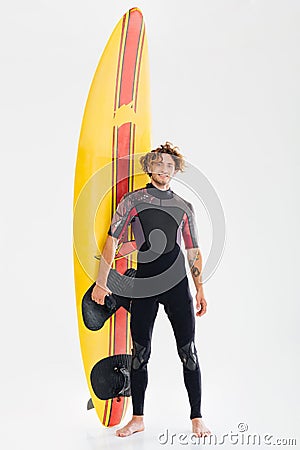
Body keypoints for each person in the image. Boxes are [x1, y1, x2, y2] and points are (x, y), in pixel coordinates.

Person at [91, 142, 211, 438]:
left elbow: (192, 250)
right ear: (149, 167)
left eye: (170, 165)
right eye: (159, 164)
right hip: (144, 285)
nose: (164, 169)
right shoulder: (133, 201)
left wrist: (200, 288)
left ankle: (197, 417)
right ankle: (138, 418)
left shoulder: (184, 207)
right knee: (139, 353)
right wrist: (101, 282)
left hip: (176, 286)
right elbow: (112, 242)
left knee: (189, 353)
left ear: (175, 170)